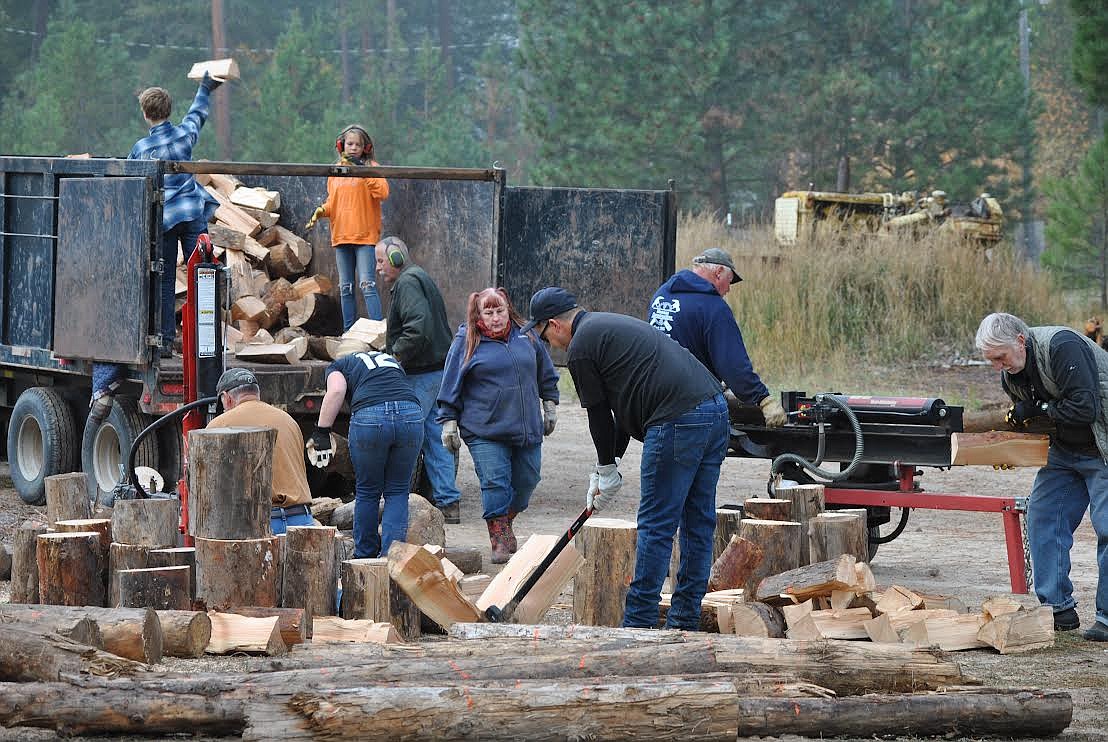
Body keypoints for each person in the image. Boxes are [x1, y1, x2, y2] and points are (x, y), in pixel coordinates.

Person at [522, 287, 729, 630]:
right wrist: (608, 466)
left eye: (543, 335)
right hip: (714, 409)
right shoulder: (605, 327)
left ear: (555, 324)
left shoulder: (581, 348)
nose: (548, 344)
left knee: (657, 524)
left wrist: (605, 469)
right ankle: (683, 621)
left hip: (677, 418)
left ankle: (639, 622)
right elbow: (622, 407)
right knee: (697, 522)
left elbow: (600, 414)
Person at [975, 312, 1108, 642]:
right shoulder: (1013, 374)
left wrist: (1040, 410)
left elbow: (1084, 408)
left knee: (1107, 526)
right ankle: (1058, 609)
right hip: (1065, 450)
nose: (997, 367)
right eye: (991, 360)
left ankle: (1106, 617)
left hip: (1103, 444)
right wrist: (1012, 445)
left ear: (1020, 341)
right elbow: (1034, 422)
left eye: (1000, 357)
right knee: (1043, 517)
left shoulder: (1062, 346)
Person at [438, 288, 560, 563]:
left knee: (528, 480)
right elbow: (451, 381)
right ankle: (499, 534)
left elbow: (545, 370)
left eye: (500, 311)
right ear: (478, 314)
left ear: (509, 309)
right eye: (488, 313)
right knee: (495, 482)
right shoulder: (467, 339)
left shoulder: (526, 335)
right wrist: (448, 421)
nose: (495, 318)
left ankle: (505, 518)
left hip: (526, 425)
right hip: (484, 428)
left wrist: (549, 403)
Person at [129, 73, 221, 358]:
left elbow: (131, 183)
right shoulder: (184, 136)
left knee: (166, 279)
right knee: (201, 276)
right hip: (193, 213)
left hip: (164, 220)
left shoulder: (142, 149)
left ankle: (166, 341)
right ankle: (204, 343)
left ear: (146, 114)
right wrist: (205, 88)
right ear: (169, 110)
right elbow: (197, 115)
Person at [374, 236, 462, 523]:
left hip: (421, 375)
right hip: (438, 371)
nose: (377, 268)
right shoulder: (416, 276)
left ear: (397, 258)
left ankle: (397, 503)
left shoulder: (408, 282)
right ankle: (449, 503)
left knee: (404, 438)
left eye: (380, 261)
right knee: (436, 439)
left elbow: (417, 327)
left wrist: (394, 356)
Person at [649, 247, 786, 427]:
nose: (728, 289)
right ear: (719, 272)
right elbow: (733, 365)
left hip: (653, 398)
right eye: (729, 281)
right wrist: (763, 400)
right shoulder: (713, 307)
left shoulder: (662, 294)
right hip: (690, 405)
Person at [310, 347, 424, 559]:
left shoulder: (338, 365)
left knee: (368, 491)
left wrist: (322, 432)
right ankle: (392, 559)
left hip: (371, 416)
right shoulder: (389, 359)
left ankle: (365, 557)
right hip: (411, 413)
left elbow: (336, 391)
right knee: (398, 491)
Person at [207, 368, 313, 535]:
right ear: (257, 394)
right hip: (302, 520)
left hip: (257, 524)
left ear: (227, 398)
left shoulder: (218, 426)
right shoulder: (289, 421)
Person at [305, 125, 390, 329]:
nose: (353, 148)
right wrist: (321, 211)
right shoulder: (336, 171)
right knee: (345, 288)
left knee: (367, 285)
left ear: (365, 148)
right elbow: (333, 203)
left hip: (365, 237)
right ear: (341, 145)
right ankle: (349, 333)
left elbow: (383, 192)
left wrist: (362, 170)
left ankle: (378, 332)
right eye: (350, 144)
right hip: (341, 236)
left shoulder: (371, 166)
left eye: (358, 144)